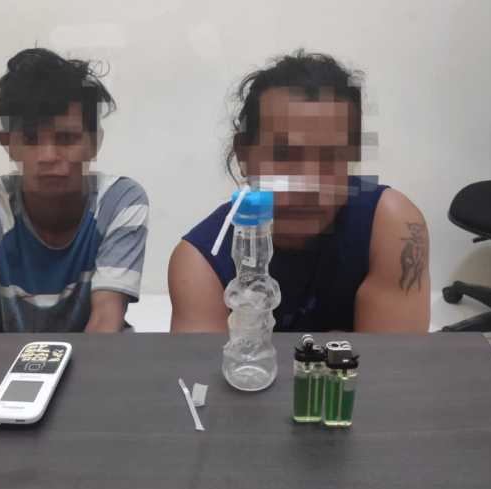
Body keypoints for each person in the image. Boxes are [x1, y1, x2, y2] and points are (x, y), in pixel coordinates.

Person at [169, 50, 429, 334]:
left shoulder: (391, 225)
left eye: (331, 156)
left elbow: (394, 358)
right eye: (283, 154)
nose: (309, 184)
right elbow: (204, 366)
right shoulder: (202, 263)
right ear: (244, 154)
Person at [0, 48, 148, 334]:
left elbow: (106, 322)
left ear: (94, 143)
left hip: (99, 357)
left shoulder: (120, 202)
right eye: (30, 139)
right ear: (9, 144)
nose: (47, 156)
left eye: (65, 138)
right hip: (6, 362)